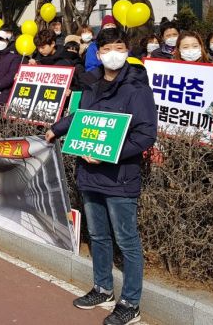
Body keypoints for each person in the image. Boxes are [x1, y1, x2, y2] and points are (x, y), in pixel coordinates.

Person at [46, 28, 157, 325]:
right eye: (106, 48)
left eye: (119, 47)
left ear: (127, 49)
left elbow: (146, 135)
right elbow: (81, 117)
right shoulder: (92, 84)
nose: (113, 53)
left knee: (127, 240)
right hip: (89, 174)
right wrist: (57, 129)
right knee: (97, 235)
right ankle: (103, 288)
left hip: (120, 176)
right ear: (97, 52)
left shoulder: (137, 88)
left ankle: (130, 303)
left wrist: (112, 153)